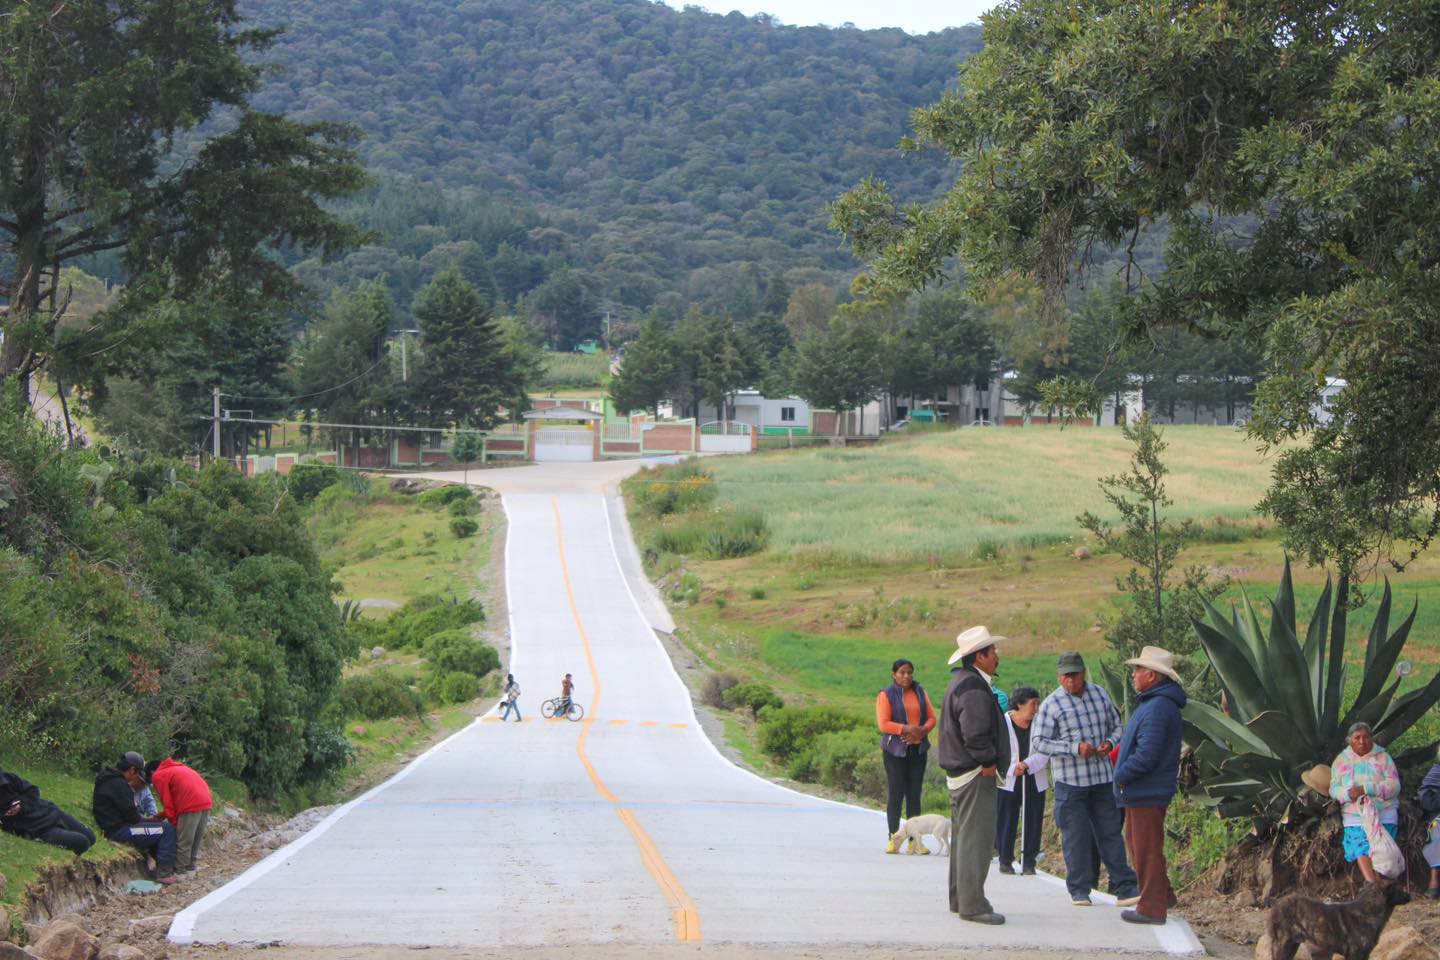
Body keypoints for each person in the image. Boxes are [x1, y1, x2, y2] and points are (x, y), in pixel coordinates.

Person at [1032, 651, 1140, 908]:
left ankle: (1125, 887)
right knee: (1076, 836)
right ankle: (1079, 890)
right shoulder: (1052, 704)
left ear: (1083, 673)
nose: (1071, 680)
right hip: (1071, 782)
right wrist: (1073, 748)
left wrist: (1109, 743)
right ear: (1059, 677)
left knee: (1110, 833)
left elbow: (1117, 725)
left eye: (1075, 675)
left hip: (1102, 777)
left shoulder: (1100, 694)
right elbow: (1038, 742)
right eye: (1066, 676)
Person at [936, 625, 1011, 926]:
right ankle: (973, 904)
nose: (997, 657)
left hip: (961, 772)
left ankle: (961, 898)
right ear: (979, 657)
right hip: (974, 772)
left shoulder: (961, 682)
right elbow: (976, 733)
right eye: (992, 652)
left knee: (965, 838)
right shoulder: (974, 688)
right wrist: (989, 762)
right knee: (976, 841)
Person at [1113, 646, 1187, 925]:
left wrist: (1121, 774)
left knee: (1145, 848)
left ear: (1153, 677)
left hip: (1146, 790)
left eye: (1139, 670)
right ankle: (1162, 895)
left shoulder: (1157, 707)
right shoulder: (1156, 704)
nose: (1134, 675)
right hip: (1144, 790)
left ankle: (1152, 908)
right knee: (1140, 844)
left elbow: (1148, 753)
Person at [876, 657, 937, 854]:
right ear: (894, 674)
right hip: (895, 751)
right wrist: (906, 729)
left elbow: (931, 717)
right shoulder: (886, 695)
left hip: (917, 749)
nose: (906, 676)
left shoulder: (920, 692)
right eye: (902, 672)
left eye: (909, 672)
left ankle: (914, 841)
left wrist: (921, 731)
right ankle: (894, 838)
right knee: (896, 793)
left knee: (914, 795)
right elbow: (884, 723)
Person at [1329, 721, 1401, 884]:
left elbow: (1395, 786)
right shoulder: (1341, 761)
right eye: (1357, 738)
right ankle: (1373, 885)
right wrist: (1347, 794)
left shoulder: (1383, 758)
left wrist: (1366, 788)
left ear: (1372, 738)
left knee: (1382, 851)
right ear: (1349, 740)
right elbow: (1333, 788)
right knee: (1360, 847)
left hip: (1383, 812)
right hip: (1355, 814)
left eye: (1366, 737)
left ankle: (1378, 884)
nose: (1362, 741)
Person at [92, 751, 179, 884]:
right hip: (120, 831)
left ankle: (163, 865)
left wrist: (149, 821)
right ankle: (164, 873)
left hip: (112, 827)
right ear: (132, 770)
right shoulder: (121, 785)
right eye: (138, 773)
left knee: (158, 829)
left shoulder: (107, 779)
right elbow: (133, 818)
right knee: (167, 830)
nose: (138, 777)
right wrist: (150, 820)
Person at [996, 686, 1048, 876]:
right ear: (1019, 704)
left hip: (1034, 775)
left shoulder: (1041, 724)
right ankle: (1005, 859)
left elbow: (1045, 749)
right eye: (1032, 704)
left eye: (1037, 703)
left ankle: (1028, 861)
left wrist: (1027, 764)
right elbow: (996, 750)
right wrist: (1013, 767)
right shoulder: (1002, 722)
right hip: (1008, 777)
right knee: (1006, 817)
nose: (1036, 708)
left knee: (1033, 818)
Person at [0, 767, 96, 854]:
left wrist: (22, 805)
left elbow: (33, 790)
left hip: (51, 812)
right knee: (82, 843)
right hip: (38, 829)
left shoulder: (9, 778)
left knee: (91, 837)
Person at [145, 758, 213, 875]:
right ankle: (190, 869)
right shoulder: (179, 768)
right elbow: (175, 801)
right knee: (195, 839)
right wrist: (161, 816)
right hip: (205, 802)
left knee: (183, 841)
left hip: (190, 805)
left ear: (151, 772)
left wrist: (174, 825)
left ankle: (179, 873)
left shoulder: (158, 775)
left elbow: (168, 803)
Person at [1420, 758, 1440, 899]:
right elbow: (1429, 804)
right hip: (1437, 818)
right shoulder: (1436, 772)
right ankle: (1434, 882)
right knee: (1437, 831)